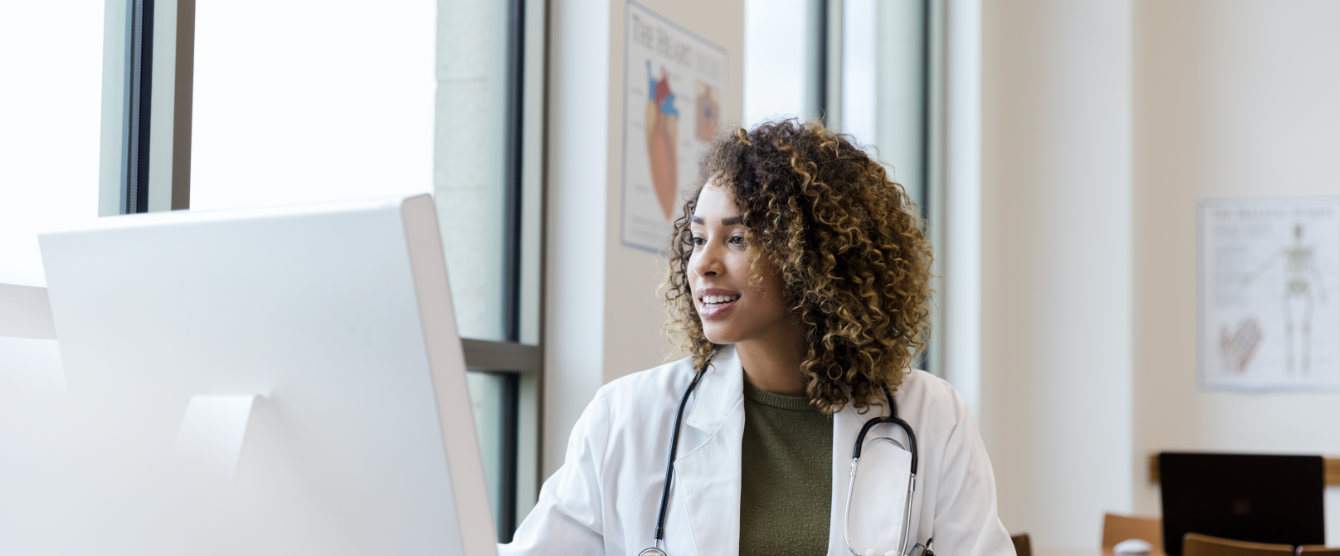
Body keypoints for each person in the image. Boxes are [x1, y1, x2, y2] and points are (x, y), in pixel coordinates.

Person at [501, 120, 1011, 556]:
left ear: (813, 259)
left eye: (737, 238)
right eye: (699, 238)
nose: (702, 263)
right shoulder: (625, 418)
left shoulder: (932, 418)